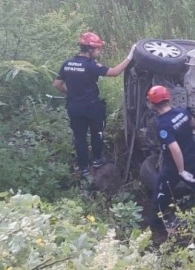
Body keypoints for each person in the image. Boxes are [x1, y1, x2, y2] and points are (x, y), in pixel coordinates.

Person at [53, 32, 135, 178]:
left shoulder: (67, 63)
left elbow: (57, 84)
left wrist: (72, 94)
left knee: (79, 137)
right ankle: (97, 160)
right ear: (90, 49)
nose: (99, 52)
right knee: (97, 133)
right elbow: (115, 72)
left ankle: (84, 168)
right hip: (91, 107)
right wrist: (130, 55)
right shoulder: (90, 65)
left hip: (74, 107)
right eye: (97, 49)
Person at [147, 85, 195, 221]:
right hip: (193, 159)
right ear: (169, 99)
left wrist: (181, 171)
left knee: (162, 190)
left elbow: (175, 150)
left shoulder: (163, 125)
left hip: (174, 167)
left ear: (152, 104)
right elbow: (193, 123)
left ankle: (156, 222)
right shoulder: (182, 112)